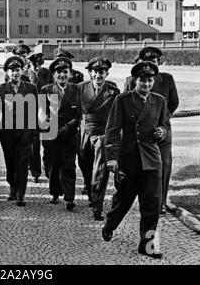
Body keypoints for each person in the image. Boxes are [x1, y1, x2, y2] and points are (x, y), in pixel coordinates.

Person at [102, 61, 168, 259]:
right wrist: (112, 159)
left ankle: (147, 246)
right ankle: (110, 224)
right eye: (142, 80)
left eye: (149, 80)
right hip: (129, 159)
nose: (146, 84)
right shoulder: (122, 100)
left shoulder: (160, 101)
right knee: (122, 201)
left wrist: (161, 132)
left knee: (152, 206)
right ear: (135, 81)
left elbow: (165, 126)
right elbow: (112, 130)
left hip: (152, 160)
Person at [123, 47, 179, 215]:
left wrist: (161, 121)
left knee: (163, 167)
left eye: (154, 62)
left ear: (158, 63)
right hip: (140, 135)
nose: (151, 65)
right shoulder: (132, 80)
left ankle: (160, 202)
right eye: (147, 62)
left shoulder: (167, 80)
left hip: (162, 133)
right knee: (139, 167)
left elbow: (174, 103)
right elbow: (124, 104)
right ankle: (142, 200)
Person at [0, 56, 38, 207]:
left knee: (22, 163)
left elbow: (36, 111)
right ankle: (12, 187)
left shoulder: (31, 88)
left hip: (25, 132)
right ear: (7, 72)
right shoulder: (0, 89)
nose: (15, 73)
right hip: (7, 133)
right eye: (12, 71)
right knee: (10, 163)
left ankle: (20, 194)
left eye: (17, 70)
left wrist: (35, 132)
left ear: (22, 70)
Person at [77, 57, 120, 221]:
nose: (98, 76)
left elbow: (118, 113)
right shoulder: (80, 88)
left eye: (101, 72)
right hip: (85, 134)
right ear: (89, 73)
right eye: (95, 72)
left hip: (103, 135)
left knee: (100, 172)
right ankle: (91, 194)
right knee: (85, 167)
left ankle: (97, 207)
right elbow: (75, 111)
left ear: (106, 73)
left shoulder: (113, 90)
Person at [39, 57, 81, 211]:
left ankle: (69, 197)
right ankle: (55, 192)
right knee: (53, 164)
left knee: (69, 165)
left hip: (70, 134)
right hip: (51, 134)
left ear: (69, 73)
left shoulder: (76, 89)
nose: (62, 75)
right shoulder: (46, 90)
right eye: (58, 72)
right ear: (53, 74)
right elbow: (42, 111)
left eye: (65, 72)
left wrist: (68, 127)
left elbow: (79, 114)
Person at [26, 52, 53, 183]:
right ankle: (35, 172)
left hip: (46, 111)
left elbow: (52, 90)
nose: (37, 67)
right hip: (30, 113)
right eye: (34, 65)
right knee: (34, 145)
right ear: (29, 64)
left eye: (39, 65)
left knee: (48, 143)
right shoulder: (25, 75)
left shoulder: (47, 73)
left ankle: (48, 169)